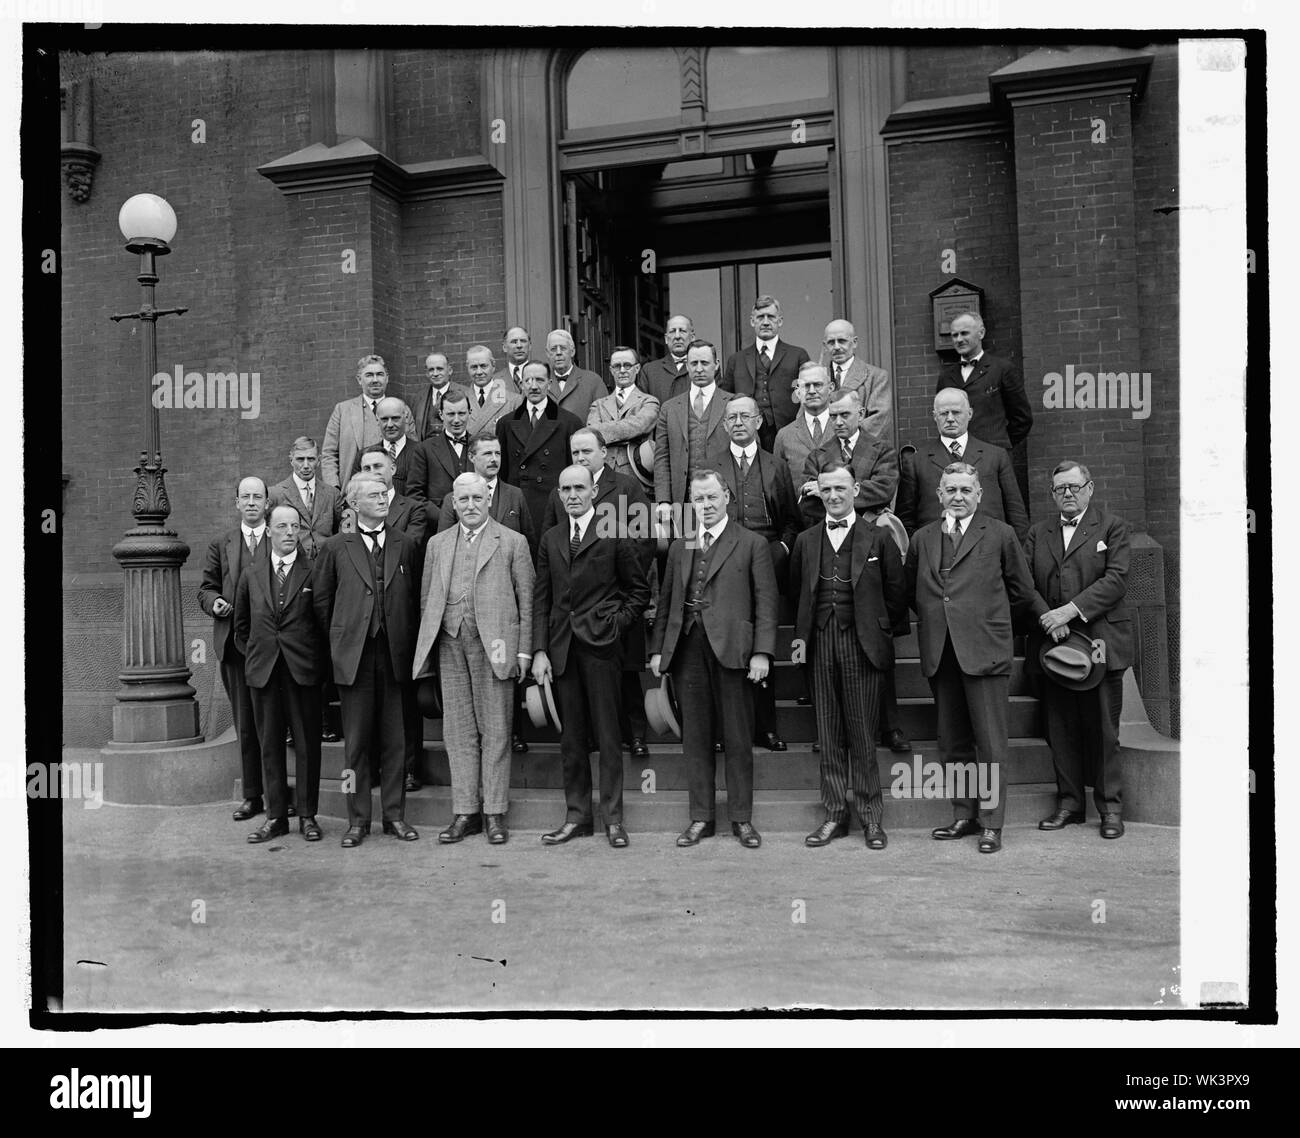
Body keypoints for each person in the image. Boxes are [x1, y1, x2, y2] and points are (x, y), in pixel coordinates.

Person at [905, 464, 1041, 854]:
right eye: (951, 490)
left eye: (966, 490)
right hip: (941, 653)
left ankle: (992, 823)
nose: (959, 496)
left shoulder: (1000, 534)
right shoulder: (923, 538)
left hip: (985, 651)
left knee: (991, 743)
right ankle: (964, 814)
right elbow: (913, 591)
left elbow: (1022, 590)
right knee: (953, 742)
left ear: (979, 495)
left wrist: (991, 627)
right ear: (939, 495)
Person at [649, 470, 779, 849]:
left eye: (712, 498)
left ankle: (741, 819)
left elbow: (766, 603)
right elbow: (668, 603)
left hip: (734, 651)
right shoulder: (680, 546)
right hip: (688, 648)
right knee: (696, 738)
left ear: (727, 497)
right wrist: (659, 649)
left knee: (738, 737)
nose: (705, 505)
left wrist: (762, 652)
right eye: (698, 499)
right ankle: (701, 817)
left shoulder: (752, 543)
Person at [412, 473, 536, 845]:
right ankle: (465, 811)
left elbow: (526, 601)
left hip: (495, 643)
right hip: (450, 642)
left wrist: (524, 650)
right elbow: (426, 599)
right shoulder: (437, 544)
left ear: (488, 501)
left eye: (477, 499)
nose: (469, 505)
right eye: (462, 499)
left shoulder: (512, 541)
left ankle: (495, 813)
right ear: (452, 503)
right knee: (458, 731)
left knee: (496, 729)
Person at [790, 465, 909, 849]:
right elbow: (797, 593)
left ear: (856, 489)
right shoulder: (807, 541)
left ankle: (871, 818)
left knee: (862, 736)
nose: (834, 495)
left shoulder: (879, 538)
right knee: (828, 734)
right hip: (820, 642)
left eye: (841, 488)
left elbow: (895, 596)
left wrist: (874, 632)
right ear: (819, 493)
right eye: (826, 489)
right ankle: (835, 815)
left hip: (862, 645)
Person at [533, 465, 650, 848]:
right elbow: (542, 599)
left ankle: (613, 820)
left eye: (579, 488)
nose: (572, 495)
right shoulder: (551, 538)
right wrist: (539, 651)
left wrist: (614, 626)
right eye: (565, 489)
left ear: (594, 490)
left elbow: (638, 591)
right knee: (572, 739)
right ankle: (577, 817)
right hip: (563, 650)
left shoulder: (613, 532)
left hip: (601, 649)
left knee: (608, 734)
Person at [1024, 462, 1133, 839]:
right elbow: (1024, 582)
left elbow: (1116, 580)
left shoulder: (1112, 527)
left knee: (1104, 728)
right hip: (1054, 644)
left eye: (1074, 486)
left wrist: (1068, 612)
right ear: (1052, 494)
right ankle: (1069, 804)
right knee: (1061, 727)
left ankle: (1110, 808)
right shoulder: (1039, 533)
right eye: (1059, 489)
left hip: (1100, 641)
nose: (1067, 494)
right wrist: (1047, 619)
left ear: (1090, 488)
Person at [312, 474, 421, 847]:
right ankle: (357, 820)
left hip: (394, 656)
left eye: (384, 493)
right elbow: (322, 603)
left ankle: (395, 816)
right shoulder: (334, 547)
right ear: (354, 503)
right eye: (373, 495)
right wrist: (342, 645)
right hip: (354, 658)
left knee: (396, 742)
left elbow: (414, 600)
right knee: (355, 745)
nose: (382, 499)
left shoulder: (405, 544)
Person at [540, 428, 656, 758]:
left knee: (627, 673)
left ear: (604, 452)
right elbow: (553, 539)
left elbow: (645, 535)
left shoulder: (627, 485)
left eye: (587, 451)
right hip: (579, 601)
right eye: (575, 452)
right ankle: (592, 736)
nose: (581, 457)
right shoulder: (560, 494)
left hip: (618, 598)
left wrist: (619, 575)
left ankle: (634, 734)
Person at [707, 395, 800, 752]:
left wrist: (783, 550)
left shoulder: (776, 465)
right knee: (724, 642)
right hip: (724, 562)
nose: (739, 422)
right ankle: (723, 731)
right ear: (726, 425)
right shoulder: (711, 465)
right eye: (732, 418)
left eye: (746, 416)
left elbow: (791, 520)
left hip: (766, 561)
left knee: (763, 642)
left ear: (759, 422)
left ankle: (766, 727)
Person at [233, 505, 325, 843]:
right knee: (269, 745)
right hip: (264, 673)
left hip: (303, 673)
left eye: (295, 526)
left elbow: (323, 624)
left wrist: (312, 662)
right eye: (282, 526)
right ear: (268, 531)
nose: (289, 532)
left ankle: (307, 816)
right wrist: (260, 658)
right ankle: (275, 817)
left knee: (307, 745)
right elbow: (241, 627)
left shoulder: (313, 571)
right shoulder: (250, 573)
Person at [354, 446, 427, 791]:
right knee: (366, 713)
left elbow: (411, 571)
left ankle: (409, 770)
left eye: (378, 466)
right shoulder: (348, 529)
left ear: (392, 468)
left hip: (399, 626)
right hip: (362, 634)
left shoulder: (411, 510)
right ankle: (366, 777)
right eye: (366, 467)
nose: (373, 471)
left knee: (403, 707)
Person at [198, 476, 270, 822]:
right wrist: (214, 604)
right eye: (246, 497)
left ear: (267, 503)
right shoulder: (221, 543)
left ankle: (280, 794)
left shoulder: (280, 537)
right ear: (236, 502)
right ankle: (253, 796)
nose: (252, 502)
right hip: (235, 646)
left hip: (274, 646)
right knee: (245, 724)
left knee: (276, 722)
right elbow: (206, 588)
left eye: (258, 496)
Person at [898, 387, 1028, 541]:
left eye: (956, 412)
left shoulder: (996, 456)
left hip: (989, 550)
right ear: (934, 416)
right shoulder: (916, 462)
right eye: (944, 413)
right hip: (938, 553)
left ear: (970, 414)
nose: (950, 418)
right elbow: (905, 520)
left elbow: (1016, 514)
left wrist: (1018, 557)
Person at [497, 359, 584, 531]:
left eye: (539, 380)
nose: (533, 386)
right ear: (521, 384)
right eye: (528, 380)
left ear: (549, 384)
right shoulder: (506, 424)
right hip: (517, 507)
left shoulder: (569, 422)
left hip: (554, 507)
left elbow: (577, 471)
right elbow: (502, 473)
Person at [653, 339, 733, 516]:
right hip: (682, 502)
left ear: (716, 365)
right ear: (687, 366)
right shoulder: (669, 408)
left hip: (724, 501)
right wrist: (664, 500)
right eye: (693, 363)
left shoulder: (732, 404)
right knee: (686, 544)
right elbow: (662, 457)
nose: (699, 369)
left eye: (704, 363)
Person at [721, 295, 811, 450]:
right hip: (749, 434)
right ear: (752, 321)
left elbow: (807, 394)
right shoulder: (736, 360)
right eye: (760, 317)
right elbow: (725, 399)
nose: (766, 322)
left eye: (771, 317)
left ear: (780, 321)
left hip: (788, 432)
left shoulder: (797, 355)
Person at [800, 388, 898, 527]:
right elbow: (809, 503)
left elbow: (883, 490)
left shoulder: (882, 450)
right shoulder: (816, 456)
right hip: (830, 533)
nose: (838, 422)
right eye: (833, 416)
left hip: (871, 533)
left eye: (845, 415)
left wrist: (826, 490)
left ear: (861, 414)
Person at [936, 313, 1033, 452]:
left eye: (964, 333)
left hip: (993, 458)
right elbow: (941, 417)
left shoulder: (1002, 369)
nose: (959, 339)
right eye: (954, 335)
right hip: (956, 458)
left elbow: (1022, 418)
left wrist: (1000, 446)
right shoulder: (946, 377)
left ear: (981, 333)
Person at [320, 353, 415, 488]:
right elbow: (329, 454)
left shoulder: (402, 409)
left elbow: (413, 450)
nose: (375, 380)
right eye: (369, 375)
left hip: (397, 491)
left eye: (380, 374)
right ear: (359, 379)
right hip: (353, 489)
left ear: (387, 378)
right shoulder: (342, 410)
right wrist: (334, 488)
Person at [436, 432, 537, 554]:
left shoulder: (515, 495)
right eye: (487, 454)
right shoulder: (454, 498)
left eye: (497, 453)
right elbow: (443, 545)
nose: (494, 459)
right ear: (471, 457)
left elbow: (529, 544)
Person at [586, 346, 660, 479]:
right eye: (616, 366)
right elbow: (591, 435)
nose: (622, 371)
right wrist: (629, 435)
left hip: (636, 477)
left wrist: (604, 433)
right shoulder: (598, 404)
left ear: (637, 368)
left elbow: (639, 426)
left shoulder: (649, 402)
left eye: (627, 365)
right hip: (603, 476)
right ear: (611, 370)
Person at [268, 436, 339, 561]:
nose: (306, 465)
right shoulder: (276, 493)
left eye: (311, 459)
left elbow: (338, 534)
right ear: (291, 460)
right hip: (294, 566)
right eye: (300, 459)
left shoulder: (332, 494)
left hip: (326, 566)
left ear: (319, 460)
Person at [822, 318, 892, 445]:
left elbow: (878, 421)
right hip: (823, 456)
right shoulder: (816, 379)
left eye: (842, 341)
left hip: (861, 452)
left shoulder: (876, 377)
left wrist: (844, 445)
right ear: (825, 346)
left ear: (854, 342)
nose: (836, 347)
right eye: (831, 342)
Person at [407, 388, 473, 513]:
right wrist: (442, 517)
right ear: (441, 414)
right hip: (437, 526)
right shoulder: (424, 449)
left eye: (461, 413)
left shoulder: (480, 446)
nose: (457, 420)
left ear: (470, 412)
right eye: (451, 414)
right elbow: (414, 494)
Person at [773, 364, 832, 493]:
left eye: (817, 385)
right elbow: (778, 486)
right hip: (800, 511)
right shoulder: (784, 436)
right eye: (806, 386)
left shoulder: (843, 428)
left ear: (831, 388)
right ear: (798, 392)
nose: (811, 391)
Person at [345, 396, 416, 494]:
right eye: (384, 419)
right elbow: (355, 493)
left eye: (395, 418)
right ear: (377, 420)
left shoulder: (423, 452)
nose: (390, 425)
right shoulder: (364, 456)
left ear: (406, 417)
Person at [545, 328, 607, 417]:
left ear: (572, 351)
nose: (558, 353)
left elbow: (604, 418)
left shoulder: (593, 381)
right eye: (553, 349)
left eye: (563, 348)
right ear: (547, 353)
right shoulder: (539, 382)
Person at [464, 344, 522, 437]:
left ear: (493, 366)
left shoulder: (514, 401)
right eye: (474, 367)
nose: (479, 372)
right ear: (467, 368)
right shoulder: (459, 400)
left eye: (483, 366)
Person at [411, 351, 470, 440]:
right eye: (431, 370)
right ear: (427, 373)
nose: (435, 374)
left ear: (449, 370)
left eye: (439, 369)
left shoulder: (465, 393)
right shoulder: (418, 398)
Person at [640, 314, 696, 405]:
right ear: (666, 339)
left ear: (692, 337)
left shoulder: (706, 368)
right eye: (672, 331)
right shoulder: (649, 370)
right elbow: (642, 408)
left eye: (682, 331)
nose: (677, 336)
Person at [495, 326, 533, 393]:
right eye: (514, 342)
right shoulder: (495, 380)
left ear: (529, 346)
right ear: (504, 347)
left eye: (523, 341)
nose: (519, 345)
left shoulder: (543, 375)